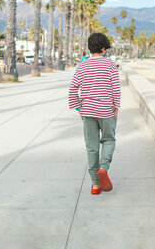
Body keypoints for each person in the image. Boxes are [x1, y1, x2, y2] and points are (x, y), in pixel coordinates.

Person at [68, 33, 121, 195]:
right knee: (109, 140)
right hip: (106, 110)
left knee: (92, 147)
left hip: (88, 111)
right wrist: (116, 107)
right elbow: (115, 89)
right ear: (104, 48)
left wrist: (78, 108)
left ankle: (95, 185)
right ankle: (103, 168)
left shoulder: (82, 66)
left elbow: (72, 90)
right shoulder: (110, 65)